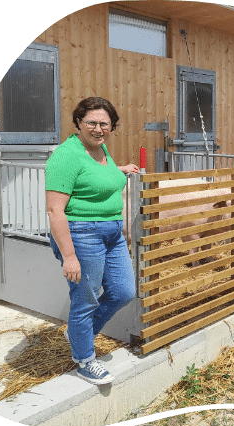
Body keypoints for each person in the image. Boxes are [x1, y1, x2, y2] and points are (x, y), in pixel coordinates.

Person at [45, 97, 140, 385]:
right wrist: (69, 256)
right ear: (78, 123)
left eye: (105, 124)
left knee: (123, 292)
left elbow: (95, 174)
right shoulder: (66, 155)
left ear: (112, 127)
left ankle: (77, 334)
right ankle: (85, 360)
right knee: (86, 299)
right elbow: (55, 210)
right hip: (82, 234)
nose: (99, 129)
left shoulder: (100, 149)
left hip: (112, 233)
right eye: (92, 123)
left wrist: (120, 169)